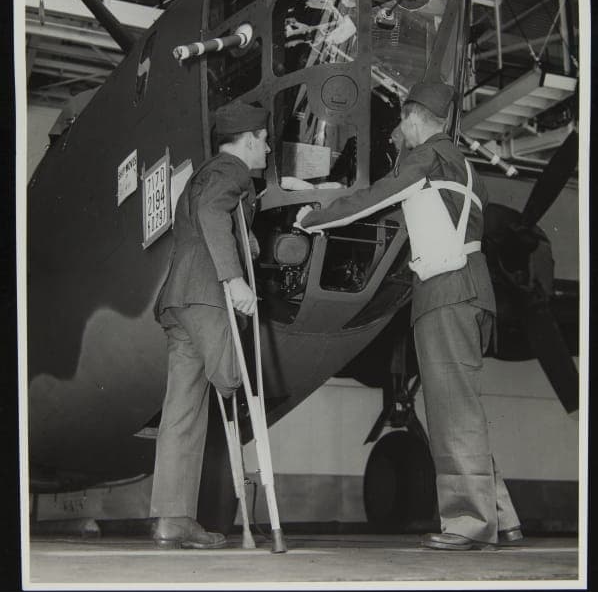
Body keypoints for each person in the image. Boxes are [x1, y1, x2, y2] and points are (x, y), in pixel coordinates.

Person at [296, 81, 522, 551]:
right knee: (462, 408)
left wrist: (311, 219)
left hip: (445, 293)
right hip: (473, 293)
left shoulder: (427, 158)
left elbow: (373, 199)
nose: (401, 130)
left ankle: (469, 523)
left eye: (403, 121)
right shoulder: (465, 167)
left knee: (451, 412)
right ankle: (502, 517)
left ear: (416, 118)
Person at [150, 101, 270, 550]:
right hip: (206, 295)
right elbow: (212, 212)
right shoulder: (232, 171)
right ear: (249, 139)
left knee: (182, 408)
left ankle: (172, 519)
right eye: (264, 141)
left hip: (179, 299)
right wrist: (234, 279)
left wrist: (246, 239)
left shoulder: (203, 174)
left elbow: (204, 217)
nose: (267, 149)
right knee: (233, 380)